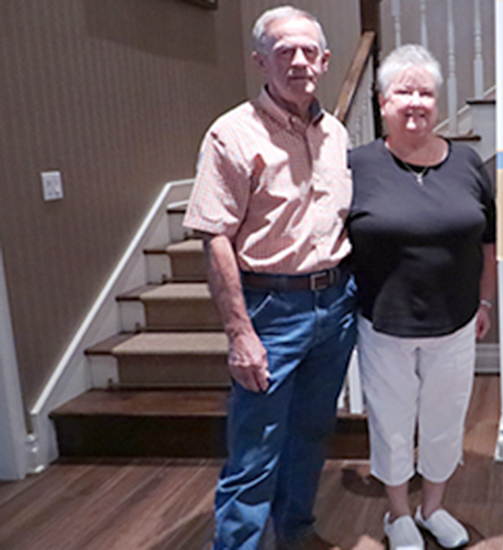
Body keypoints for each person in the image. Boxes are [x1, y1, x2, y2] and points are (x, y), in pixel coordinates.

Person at [183, 6, 355, 550]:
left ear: (325, 61)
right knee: (255, 452)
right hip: (270, 311)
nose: (299, 61)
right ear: (261, 61)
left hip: (336, 305)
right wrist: (239, 332)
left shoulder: (337, 134)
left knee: (310, 436)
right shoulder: (231, 135)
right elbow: (215, 238)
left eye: (309, 51)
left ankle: (295, 534)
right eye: (285, 51)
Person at [347, 44, 497, 550]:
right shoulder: (356, 166)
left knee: (444, 420)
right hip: (383, 324)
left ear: (438, 101)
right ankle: (397, 516)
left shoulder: (469, 163)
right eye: (403, 90)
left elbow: (489, 240)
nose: (415, 101)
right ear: (382, 100)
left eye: (426, 92)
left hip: (454, 322)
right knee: (391, 423)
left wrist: (485, 302)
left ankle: (432, 507)